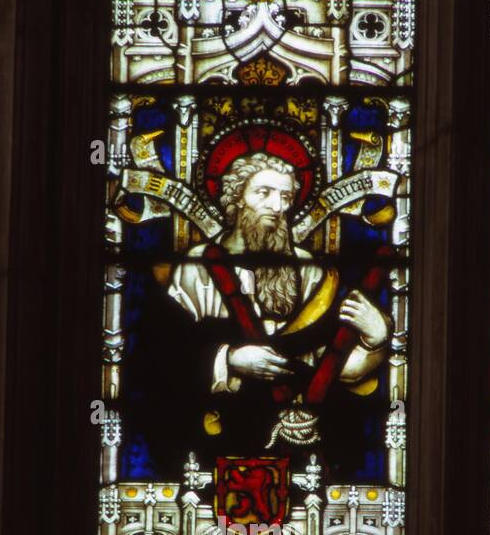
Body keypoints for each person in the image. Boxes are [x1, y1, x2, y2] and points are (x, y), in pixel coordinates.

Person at [140, 151, 391, 470]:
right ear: (237, 198)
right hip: (217, 439)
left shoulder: (312, 272)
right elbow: (165, 356)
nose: (278, 205)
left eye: (286, 196)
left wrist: (376, 340)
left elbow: (332, 368)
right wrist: (228, 360)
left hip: (303, 443)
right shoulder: (196, 268)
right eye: (264, 193)